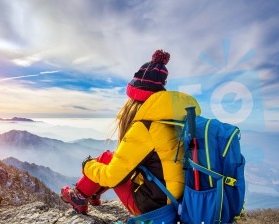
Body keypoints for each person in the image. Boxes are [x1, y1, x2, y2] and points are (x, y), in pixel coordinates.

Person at [61, 50, 201, 215]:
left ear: (135, 98)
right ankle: (90, 193)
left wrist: (87, 166)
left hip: (153, 208)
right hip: (179, 199)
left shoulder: (145, 127)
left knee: (107, 160)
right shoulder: (174, 119)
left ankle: (79, 196)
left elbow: (113, 177)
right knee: (114, 159)